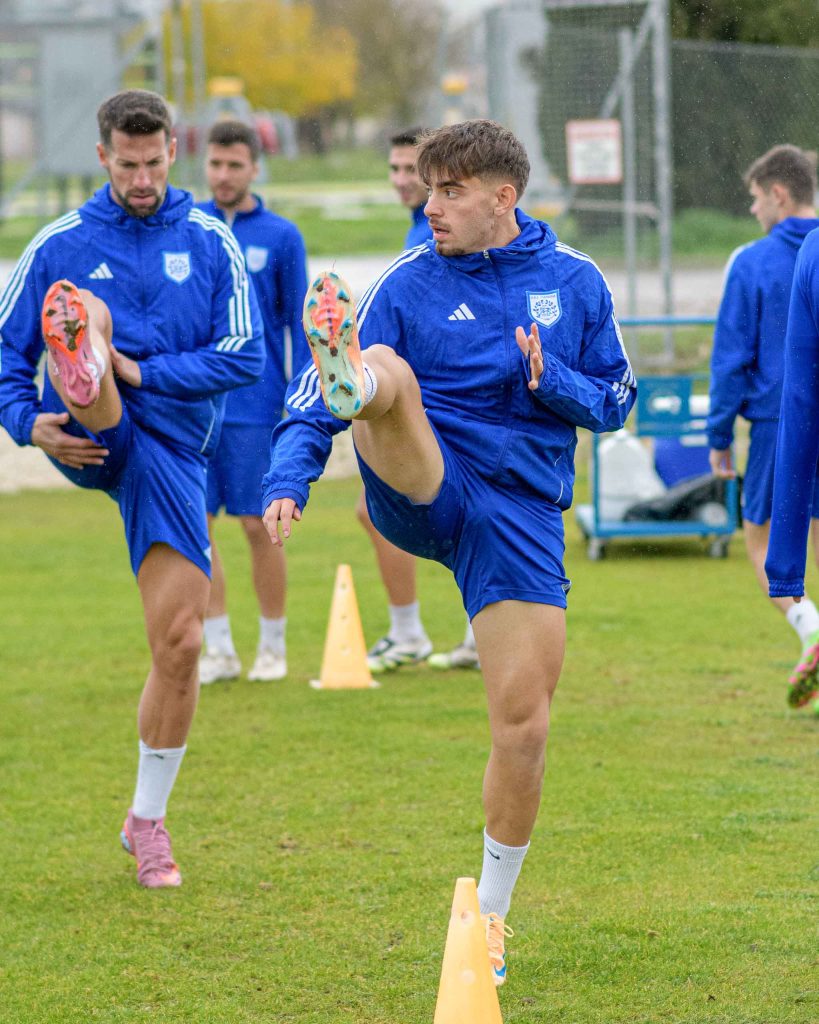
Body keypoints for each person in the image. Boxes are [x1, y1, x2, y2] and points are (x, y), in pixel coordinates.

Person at [261, 120, 636, 985]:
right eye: (428, 189)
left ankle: (490, 919)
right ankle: (363, 383)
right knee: (383, 368)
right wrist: (291, 473)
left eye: (450, 191)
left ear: (503, 197)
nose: (430, 206)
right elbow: (305, 394)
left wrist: (551, 380)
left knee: (524, 723)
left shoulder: (574, 280)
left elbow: (616, 400)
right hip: (421, 481)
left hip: (517, 515)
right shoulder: (407, 279)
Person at [0, 90, 264, 887]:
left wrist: (142, 372)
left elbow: (244, 354)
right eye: (126, 164)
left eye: (153, 163)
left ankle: (145, 820)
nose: (141, 179)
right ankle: (84, 362)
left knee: (180, 644)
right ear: (102, 157)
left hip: (174, 451)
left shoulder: (210, 239)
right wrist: (27, 423)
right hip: (88, 437)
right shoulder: (61, 241)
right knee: (85, 310)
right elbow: (4, 354)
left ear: (173, 151)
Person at [362, 128, 480, 672]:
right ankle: (441, 630)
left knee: (464, 515)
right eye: (394, 169)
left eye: (412, 170)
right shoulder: (422, 227)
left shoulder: (439, 235)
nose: (402, 180)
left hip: (441, 406)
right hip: (418, 397)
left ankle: (420, 631)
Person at [196, 120, 309, 684]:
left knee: (257, 525)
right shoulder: (188, 228)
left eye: (234, 164)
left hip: (255, 406)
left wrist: (299, 401)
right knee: (197, 528)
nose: (223, 175)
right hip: (193, 405)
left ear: (255, 168)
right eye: (215, 164)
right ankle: (218, 649)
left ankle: (272, 645)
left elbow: (299, 327)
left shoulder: (281, 236)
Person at [708, 144, 819, 709]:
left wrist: (719, 436)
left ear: (778, 194)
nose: (753, 210)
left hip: (782, 422)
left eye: (755, 198)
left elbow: (731, 358)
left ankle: (810, 630)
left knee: (761, 542)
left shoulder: (751, 261)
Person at [766, 224, 819, 712]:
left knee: (753, 537)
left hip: (770, 423)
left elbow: (801, 400)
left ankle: (810, 628)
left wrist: (785, 566)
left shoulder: (812, 253)